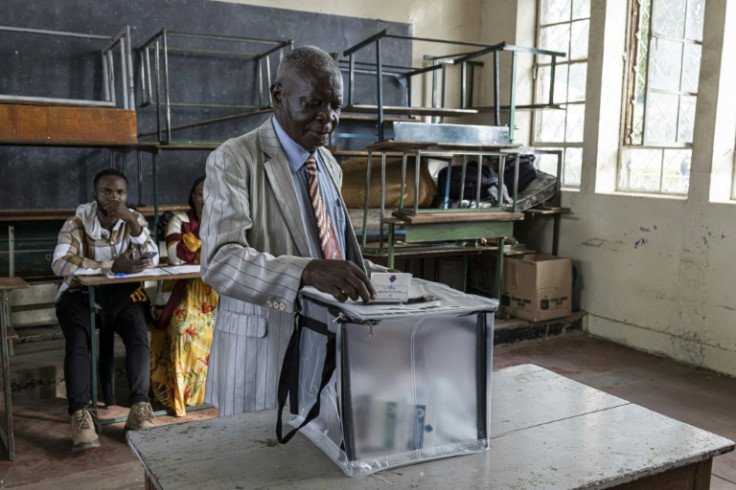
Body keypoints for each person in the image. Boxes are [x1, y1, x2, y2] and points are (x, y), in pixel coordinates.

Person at [200, 46, 379, 417]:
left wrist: (372, 275)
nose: (327, 118)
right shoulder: (234, 159)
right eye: (313, 102)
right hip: (264, 351)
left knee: (317, 453)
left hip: (327, 340)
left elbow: (329, 248)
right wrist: (307, 271)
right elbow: (220, 260)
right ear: (277, 95)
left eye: (336, 105)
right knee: (259, 464)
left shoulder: (328, 164)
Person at [52, 168, 159, 453]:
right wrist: (110, 267)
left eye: (120, 192)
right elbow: (60, 263)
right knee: (78, 340)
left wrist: (134, 226)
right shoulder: (77, 221)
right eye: (107, 192)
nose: (114, 197)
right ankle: (80, 414)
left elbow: (154, 257)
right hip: (78, 294)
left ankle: (140, 407)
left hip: (120, 296)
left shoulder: (132, 219)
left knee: (138, 333)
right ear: (95, 196)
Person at [150, 175, 218, 417]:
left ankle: (215, 396)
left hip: (216, 295)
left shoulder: (228, 220)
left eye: (212, 192)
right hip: (183, 293)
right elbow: (177, 258)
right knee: (184, 329)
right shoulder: (180, 221)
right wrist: (207, 225)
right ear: (193, 196)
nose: (206, 198)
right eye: (201, 193)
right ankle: (183, 398)